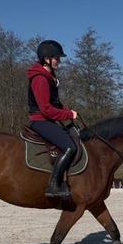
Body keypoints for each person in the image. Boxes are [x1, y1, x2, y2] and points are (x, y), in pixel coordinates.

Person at [27, 40, 78, 198]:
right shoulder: (40, 79)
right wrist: (68, 115)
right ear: (46, 58)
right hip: (40, 120)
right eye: (57, 58)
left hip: (47, 120)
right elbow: (46, 109)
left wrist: (68, 111)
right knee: (70, 147)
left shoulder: (49, 77)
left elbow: (55, 104)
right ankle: (54, 185)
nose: (59, 61)